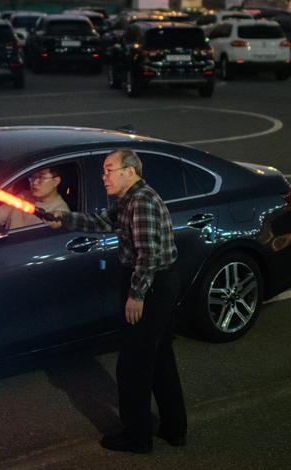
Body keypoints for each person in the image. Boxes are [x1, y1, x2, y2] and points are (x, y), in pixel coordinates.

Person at [42, 149, 185, 454]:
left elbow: (147, 255)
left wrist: (136, 294)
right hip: (157, 283)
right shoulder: (129, 200)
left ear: (129, 172)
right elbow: (101, 222)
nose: (103, 176)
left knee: (133, 366)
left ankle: (137, 437)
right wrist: (63, 218)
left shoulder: (142, 202)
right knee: (160, 360)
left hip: (151, 285)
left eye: (109, 170)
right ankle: (174, 428)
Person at [0, 165, 69, 229]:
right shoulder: (24, 196)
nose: (34, 182)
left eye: (41, 177)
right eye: (32, 177)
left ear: (56, 181)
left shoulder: (59, 215)